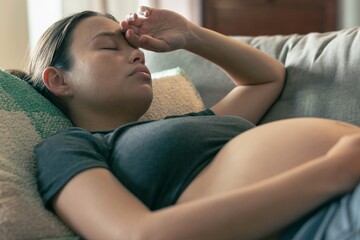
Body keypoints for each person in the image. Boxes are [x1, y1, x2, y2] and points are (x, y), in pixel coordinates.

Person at [13, 6, 360, 240]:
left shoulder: (185, 125)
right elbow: (136, 234)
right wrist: (335, 171)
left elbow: (267, 78)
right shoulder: (67, 148)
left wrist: (190, 34)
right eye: (108, 48)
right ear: (58, 80)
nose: (136, 53)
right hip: (319, 217)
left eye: (133, 46)